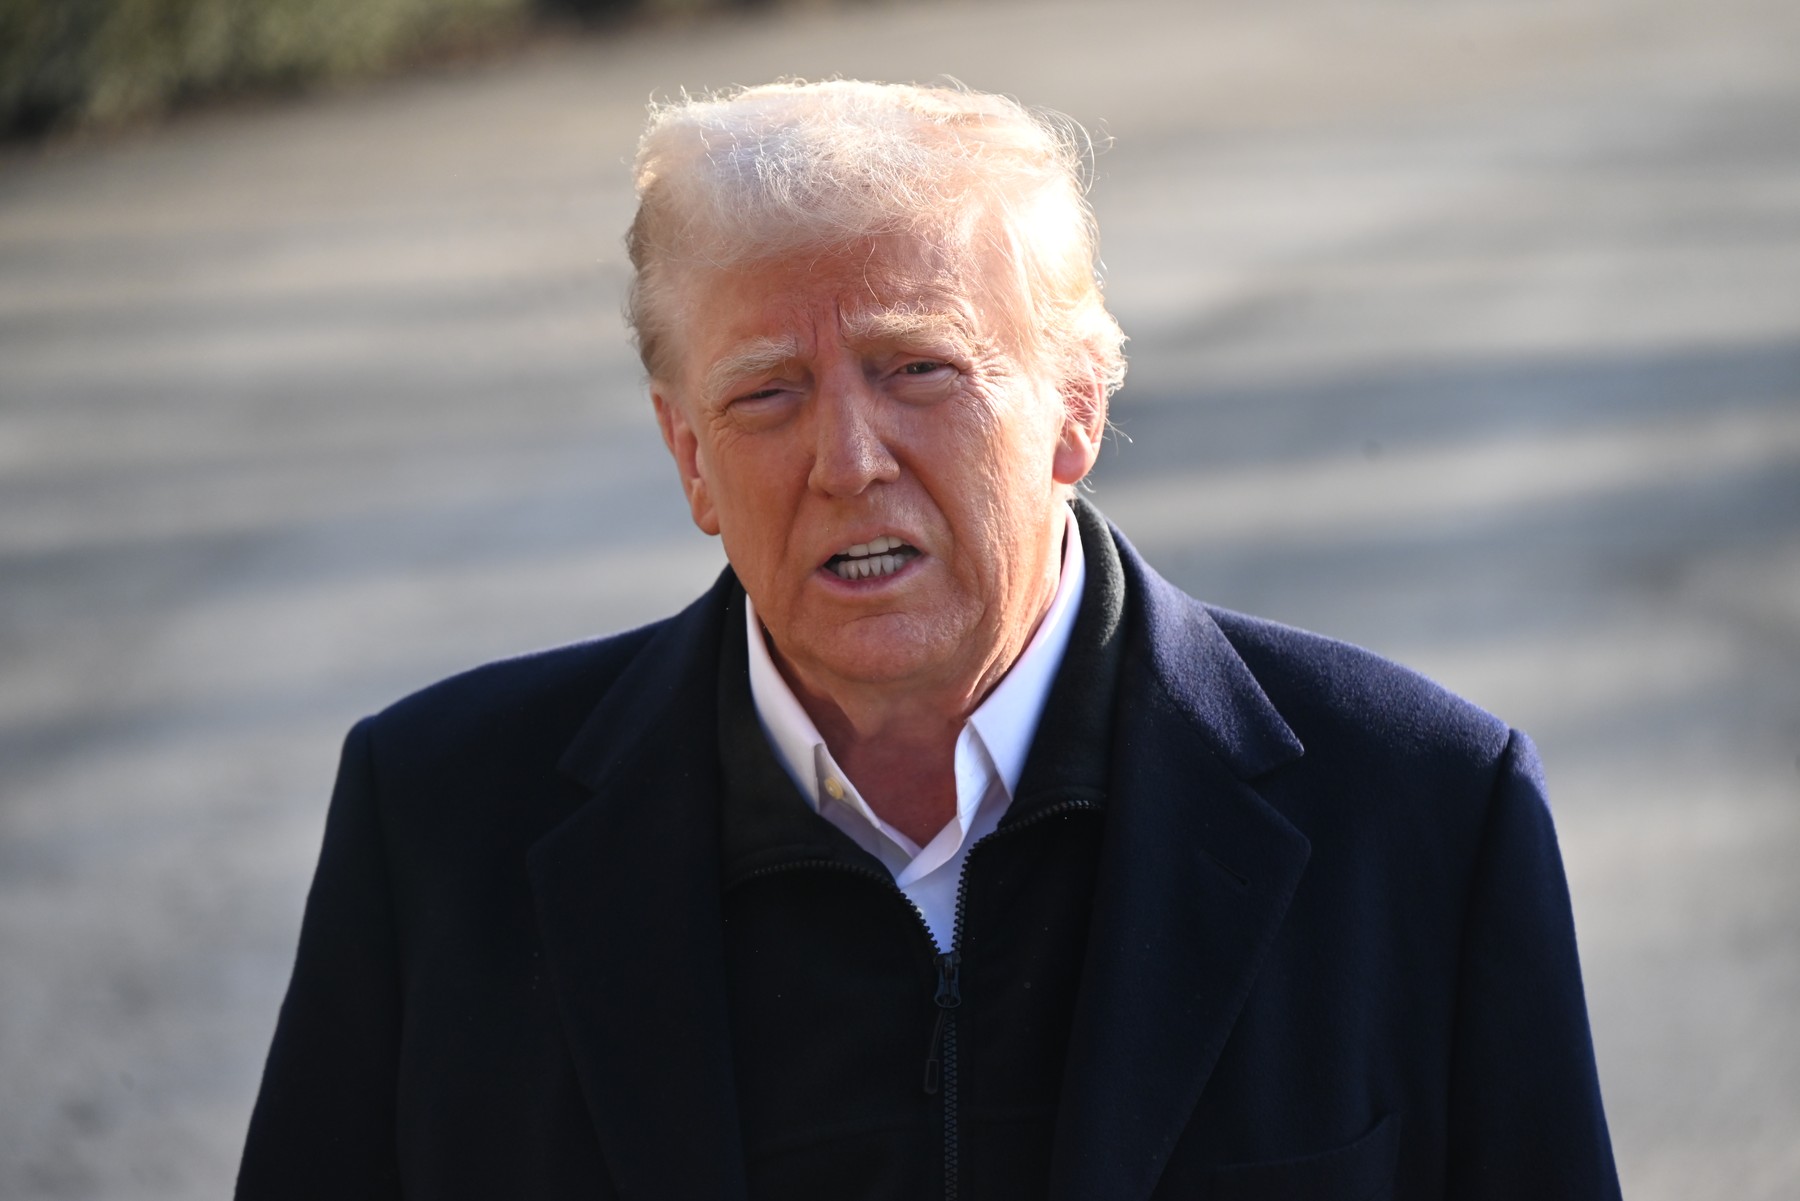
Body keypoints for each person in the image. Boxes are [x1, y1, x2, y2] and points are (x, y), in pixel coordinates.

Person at [237, 80, 1621, 1200]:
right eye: (767, 391)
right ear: (689, 457)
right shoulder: (436, 825)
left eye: (921, 369)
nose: (847, 457)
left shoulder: (1425, 814)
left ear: (1075, 407)